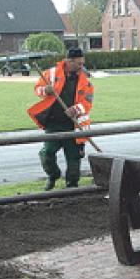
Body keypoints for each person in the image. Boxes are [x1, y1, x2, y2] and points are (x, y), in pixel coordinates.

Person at [28, 47, 93, 190]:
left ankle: (72, 185)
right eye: (78, 63)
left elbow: (87, 102)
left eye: (82, 63)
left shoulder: (86, 81)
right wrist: (45, 90)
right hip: (53, 124)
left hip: (73, 125)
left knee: (74, 158)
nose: (81, 66)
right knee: (46, 153)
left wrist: (75, 109)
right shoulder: (50, 74)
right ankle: (53, 175)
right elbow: (37, 89)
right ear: (69, 62)